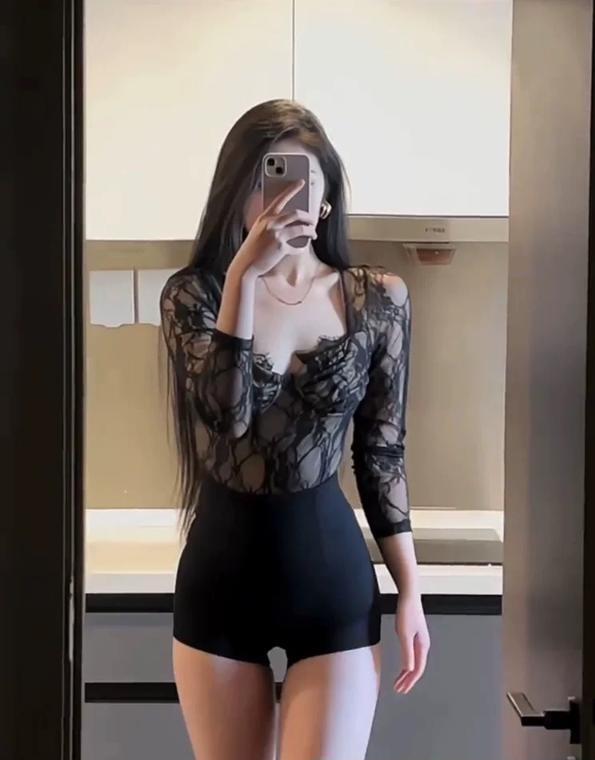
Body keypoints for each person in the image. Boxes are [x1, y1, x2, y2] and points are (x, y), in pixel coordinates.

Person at [159, 99, 430, 760]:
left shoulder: (378, 298)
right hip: (219, 586)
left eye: (298, 180)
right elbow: (228, 418)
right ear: (235, 195)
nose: (279, 199)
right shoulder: (192, 296)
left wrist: (411, 591)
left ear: (326, 198)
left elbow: (381, 454)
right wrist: (242, 279)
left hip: (330, 584)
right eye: (263, 179)